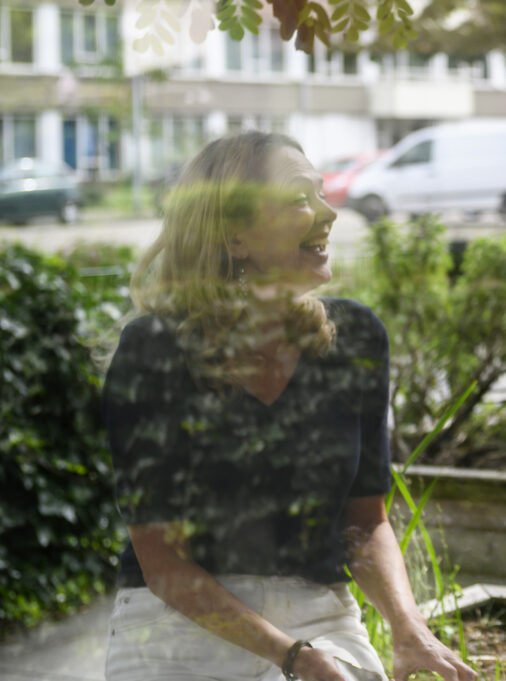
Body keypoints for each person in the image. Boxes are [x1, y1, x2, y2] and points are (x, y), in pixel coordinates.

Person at [102, 131, 476, 681]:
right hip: (176, 623)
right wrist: (294, 657)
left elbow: (365, 524)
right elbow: (162, 563)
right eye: (301, 198)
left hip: (319, 614)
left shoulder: (356, 337)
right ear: (234, 236)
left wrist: (408, 627)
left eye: (322, 194)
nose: (329, 213)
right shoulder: (153, 351)